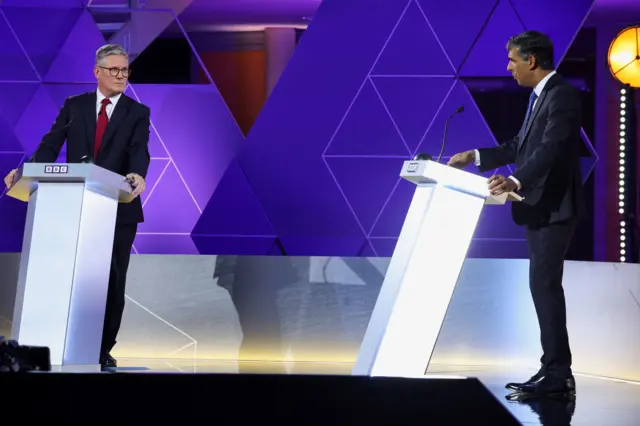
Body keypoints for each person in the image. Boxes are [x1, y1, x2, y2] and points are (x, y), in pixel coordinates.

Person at [448, 30, 583, 397]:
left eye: (512, 60)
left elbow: (551, 150)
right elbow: (520, 146)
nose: (508, 68)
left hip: (554, 209)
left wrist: (515, 181)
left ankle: (558, 375)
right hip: (539, 210)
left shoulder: (563, 96)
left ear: (532, 61)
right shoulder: (542, 97)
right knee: (543, 288)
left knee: (545, 288)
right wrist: (474, 156)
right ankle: (553, 369)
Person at [3, 44, 150, 370]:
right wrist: (25, 171)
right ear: (97, 71)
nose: (121, 75)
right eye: (114, 69)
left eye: (125, 70)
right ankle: (57, 343)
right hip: (72, 208)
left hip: (118, 209)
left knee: (112, 280)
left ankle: (102, 349)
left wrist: (138, 174)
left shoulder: (138, 112)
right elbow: (51, 144)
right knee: (70, 275)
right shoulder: (75, 106)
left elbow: (140, 149)